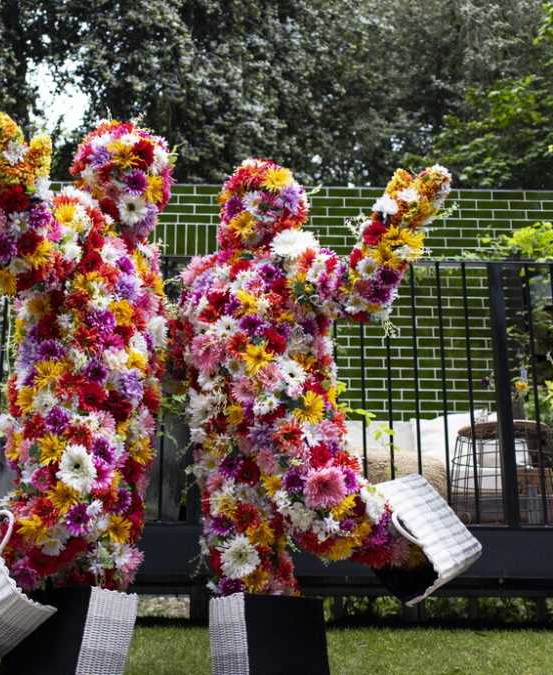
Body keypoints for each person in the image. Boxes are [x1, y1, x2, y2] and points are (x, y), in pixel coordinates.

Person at [171, 158, 452, 597]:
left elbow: (356, 295)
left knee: (323, 509)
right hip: (223, 436)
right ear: (229, 207)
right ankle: (259, 647)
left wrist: (397, 219)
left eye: (271, 203)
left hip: (288, 421)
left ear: (290, 210)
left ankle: (414, 546)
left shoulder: (294, 260)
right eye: (247, 201)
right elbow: (178, 359)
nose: (256, 212)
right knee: (238, 548)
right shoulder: (202, 277)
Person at [0, 112, 174, 591]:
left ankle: (85, 648)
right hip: (66, 402)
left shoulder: (145, 258)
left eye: (145, 174)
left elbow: (160, 343)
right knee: (58, 509)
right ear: (93, 173)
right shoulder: (78, 212)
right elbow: (32, 262)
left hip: (127, 422)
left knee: (107, 544)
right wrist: (16, 198)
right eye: (121, 170)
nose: (134, 183)